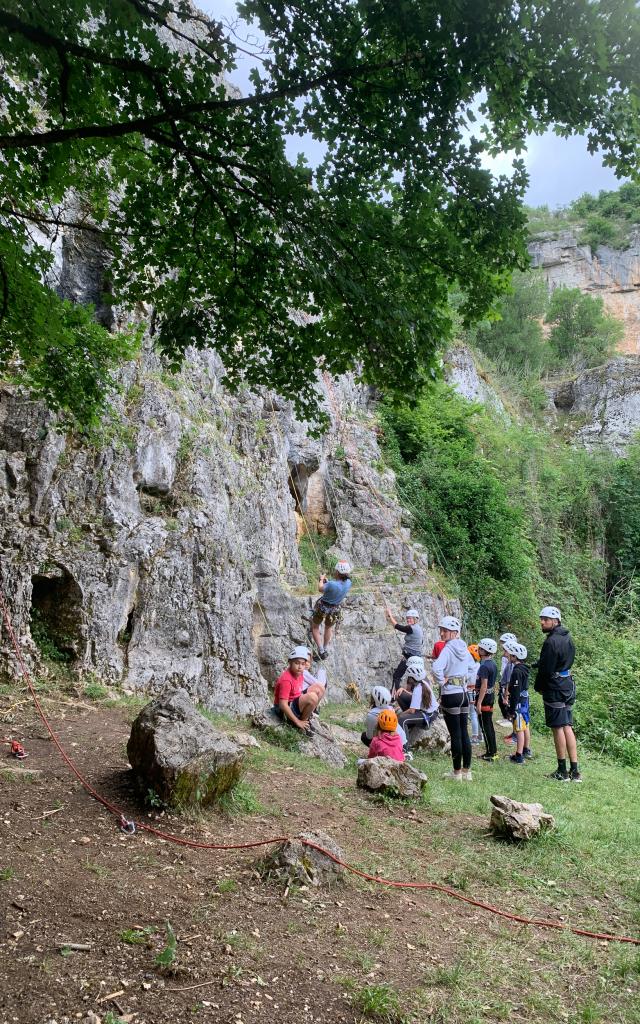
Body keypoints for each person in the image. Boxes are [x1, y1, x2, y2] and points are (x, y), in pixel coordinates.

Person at [535, 606, 581, 782]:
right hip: (568, 683)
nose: (542, 622)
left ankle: (562, 771)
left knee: (558, 727)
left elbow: (546, 669)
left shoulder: (551, 641)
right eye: (542, 619)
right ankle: (575, 771)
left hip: (555, 686)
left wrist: (539, 686)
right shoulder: (568, 638)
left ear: (555, 621)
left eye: (545, 619)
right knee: (567, 725)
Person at [431, 615, 475, 781]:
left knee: (455, 734)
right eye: (441, 630)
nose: (442, 633)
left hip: (451, 693)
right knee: (464, 732)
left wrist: (443, 681)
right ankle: (467, 772)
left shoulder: (448, 649)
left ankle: (456, 773)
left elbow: (436, 668)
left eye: (445, 631)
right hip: (463, 693)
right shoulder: (464, 647)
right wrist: (466, 681)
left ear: (454, 632)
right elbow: (472, 668)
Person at [311, 560, 352, 659]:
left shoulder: (332, 584)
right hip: (335, 609)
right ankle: (325, 648)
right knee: (328, 628)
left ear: (337, 572)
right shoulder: (348, 582)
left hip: (323, 608)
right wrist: (328, 583)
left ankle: (320, 650)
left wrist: (321, 580)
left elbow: (320, 589)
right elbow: (335, 587)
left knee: (315, 627)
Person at [273, 646, 320, 732]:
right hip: (283, 710)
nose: (300, 667)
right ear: (290, 662)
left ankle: (305, 720)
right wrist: (297, 721)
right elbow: (282, 704)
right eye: (297, 663)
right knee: (312, 697)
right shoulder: (286, 679)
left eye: (303, 664)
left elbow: (297, 692)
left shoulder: (300, 674)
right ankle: (300, 724)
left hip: (293, 703)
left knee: (318, 689)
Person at [503, 640, 532, 765]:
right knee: (525, 726)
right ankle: (525, 749)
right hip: (524, 700)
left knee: (519, 728)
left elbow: (515, 692)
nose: (508, 657)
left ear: (515, 656)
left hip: (519, 702)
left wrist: (511, 709)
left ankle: (519, 755)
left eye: (510, 655)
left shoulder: (517, 671)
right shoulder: (524, 668)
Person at [385, 606, 424, 695]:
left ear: (415, 619)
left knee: (397, 676)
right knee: (414, 678)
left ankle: (395, 696)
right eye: (407, 618)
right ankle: (416, 695)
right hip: (416, 657)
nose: (408, 620)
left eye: (410, 618)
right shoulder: (418, 628)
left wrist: (390, 615)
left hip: (410, 657)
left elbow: (397, 626)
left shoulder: (411, 628)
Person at [361, 685, 408, 750]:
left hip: (391, 746)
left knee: (364, 736)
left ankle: (379, 752)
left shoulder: (372, 715)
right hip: (403, 743)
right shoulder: (391, 709)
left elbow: (369, 736)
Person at [475, 638, 499, 761]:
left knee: (485, 725)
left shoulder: (484, 666)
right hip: (489, 697)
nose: (478, 650)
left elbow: (484, 685)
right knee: (488, 724)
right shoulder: (493, 664)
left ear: (485, 650)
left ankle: (491, 753)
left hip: (484, 698)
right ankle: (493, 751)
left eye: (480, 649)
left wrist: (478, 703)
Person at [498, 632, 517, 730]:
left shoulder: (512, 662)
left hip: (507, 684)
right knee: (501, 701)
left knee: (506, 702)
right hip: (504, 680)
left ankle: (509, 719)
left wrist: (506, 691)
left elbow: (510, 678)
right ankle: (506, 718)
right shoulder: (505, 657)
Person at [467, 644, 481, 745]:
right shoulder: (478, 665)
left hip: (470, 690)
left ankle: (475, 736)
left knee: (472, 713)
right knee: (475, 713)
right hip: (475, 690)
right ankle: (480, 735)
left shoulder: (470, 666)